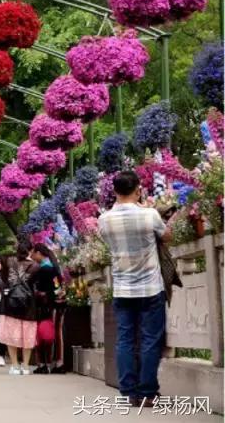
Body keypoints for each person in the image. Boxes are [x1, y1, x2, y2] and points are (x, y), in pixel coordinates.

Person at [98, 171, 171, 407]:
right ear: (138, 189)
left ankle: (129, 392)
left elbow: (107, 242)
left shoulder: (104, 219)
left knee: (125, 339)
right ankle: (148, 392)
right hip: (151, 287)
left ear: (115, 192)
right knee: (151, 339)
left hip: (122, 288)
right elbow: (166, 235)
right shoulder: (149, 215)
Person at [0, 243, 39, 375]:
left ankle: (15, 366)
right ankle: (26, 366)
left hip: (10, 303)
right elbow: (36, 286)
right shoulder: (35, 266)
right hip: (28, 305)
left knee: (11, 336)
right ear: (30, 250)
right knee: (28, 335)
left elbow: (2, 281)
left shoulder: (8, 262)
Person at [29, 244, 60, 374]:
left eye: (33, 253)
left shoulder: (43, 270)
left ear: (38, 253)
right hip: (52, 306)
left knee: (42, 336)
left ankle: (43, 364)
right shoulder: (53, 267)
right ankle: (51, 363)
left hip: (43, 307)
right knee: (51, 335)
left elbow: (34, 286)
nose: (31, 255)